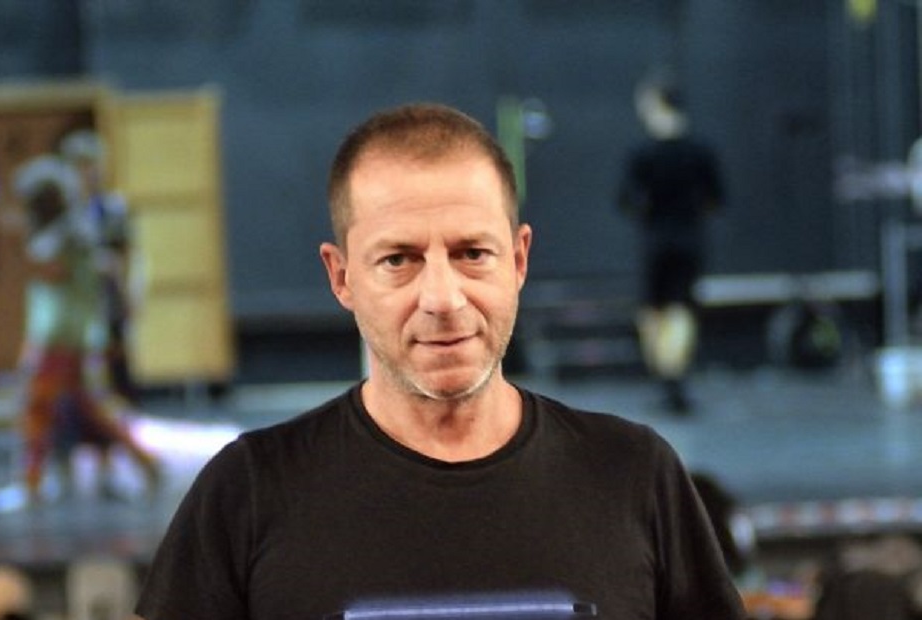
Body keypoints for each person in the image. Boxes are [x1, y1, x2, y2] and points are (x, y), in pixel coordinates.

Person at [134, 103, 746, 619]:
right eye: (398, 260)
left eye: (472, 253)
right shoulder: (247, 493)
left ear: (519, 260)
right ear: (341, 277)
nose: (443, 299)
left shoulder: (634, 476)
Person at [8, 155, 159, 508]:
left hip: (60, 338)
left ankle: (31, 485)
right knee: (92, 410)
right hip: (71, 335)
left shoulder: (64, 236)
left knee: (36, 409)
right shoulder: (75, 232)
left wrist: (14, 240)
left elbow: (47, 270)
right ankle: (147, 463)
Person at [618, 71, 725, 414]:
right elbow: (716, 198)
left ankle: (666, 377)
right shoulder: (700, 151)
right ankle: (675, 378)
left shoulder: (642, 154)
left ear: (654, 104)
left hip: (656, 240)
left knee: (653, 309)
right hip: (689, 238)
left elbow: (626, 200)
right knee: (681, 308)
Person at [59, 129, 139, 406]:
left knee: (117, 368)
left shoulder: (113, 209)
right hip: (76, 305)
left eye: (92, 165)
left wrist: (130, 293)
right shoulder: (63, 213)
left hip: (109, 299)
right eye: (81, 166)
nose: (88, 173)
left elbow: (128, 255)